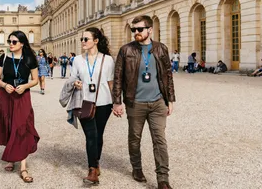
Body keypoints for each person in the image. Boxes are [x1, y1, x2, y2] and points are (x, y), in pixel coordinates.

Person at [112, 15, 176, 189]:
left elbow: (168, 75)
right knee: (134, 139)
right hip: (135, 102)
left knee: (160, 140)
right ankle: (137, 168)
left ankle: (163, 179)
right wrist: (117, 102)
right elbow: (118, 77)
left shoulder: (161, 49)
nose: (136, 32)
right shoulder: (126, 50)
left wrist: (170, 99)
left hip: (157, 102)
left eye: (140, 29)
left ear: (150, 30)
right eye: (134, 30)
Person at [61, 28, 115, 185]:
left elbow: (111, 83)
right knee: (91, 135)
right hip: (84, 102)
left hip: (104, 102)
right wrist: (75, 82)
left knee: (98, 136)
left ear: (96, 41)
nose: (83, 42)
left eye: (86, 39)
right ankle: (92, 170)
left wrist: (117, 102)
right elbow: (73, 78)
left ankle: (96, 162)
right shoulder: (77, 60)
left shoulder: (108, 60)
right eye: (82, 40)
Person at [0, 31, 40, 183]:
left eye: (14, 42)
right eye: (10, 41)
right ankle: (11, 157)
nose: (11, 44)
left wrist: (25, 86)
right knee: (9, 125)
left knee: (22, 127)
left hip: (22, 96)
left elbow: (35, 80)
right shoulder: (4, 57)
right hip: (6, 96)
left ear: (22, 43)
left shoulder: (29, 59)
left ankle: (23, 167)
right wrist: (4, 85)